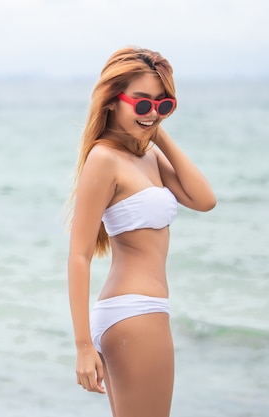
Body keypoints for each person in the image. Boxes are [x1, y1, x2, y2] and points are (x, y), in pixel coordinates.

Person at [67, 46, 216, 417]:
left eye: (163, 105)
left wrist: (156, 133)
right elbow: (79, 255)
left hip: (135, 313)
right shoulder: (103, 159)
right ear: (113, 101)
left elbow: (204, 199)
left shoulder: (147, 157)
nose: (152, 112)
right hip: (136, 314)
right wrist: (83, 346)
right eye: (142, 103)